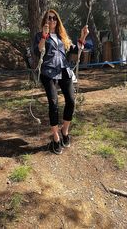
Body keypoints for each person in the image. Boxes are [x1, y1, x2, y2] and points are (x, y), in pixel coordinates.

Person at [33, 9, 89, 155]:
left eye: (54, 18)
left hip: (64, 70)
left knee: (71, 101)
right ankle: (56, 137)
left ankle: (65, 130)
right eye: (49, 18)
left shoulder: (62, 36)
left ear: (57, 21)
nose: (52, 21)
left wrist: (83, 36)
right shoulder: (39, 35)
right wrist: (44, 36)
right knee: (53, 103)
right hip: (48, 72)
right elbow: (38, 51)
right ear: (45, 20)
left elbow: (75, 50)